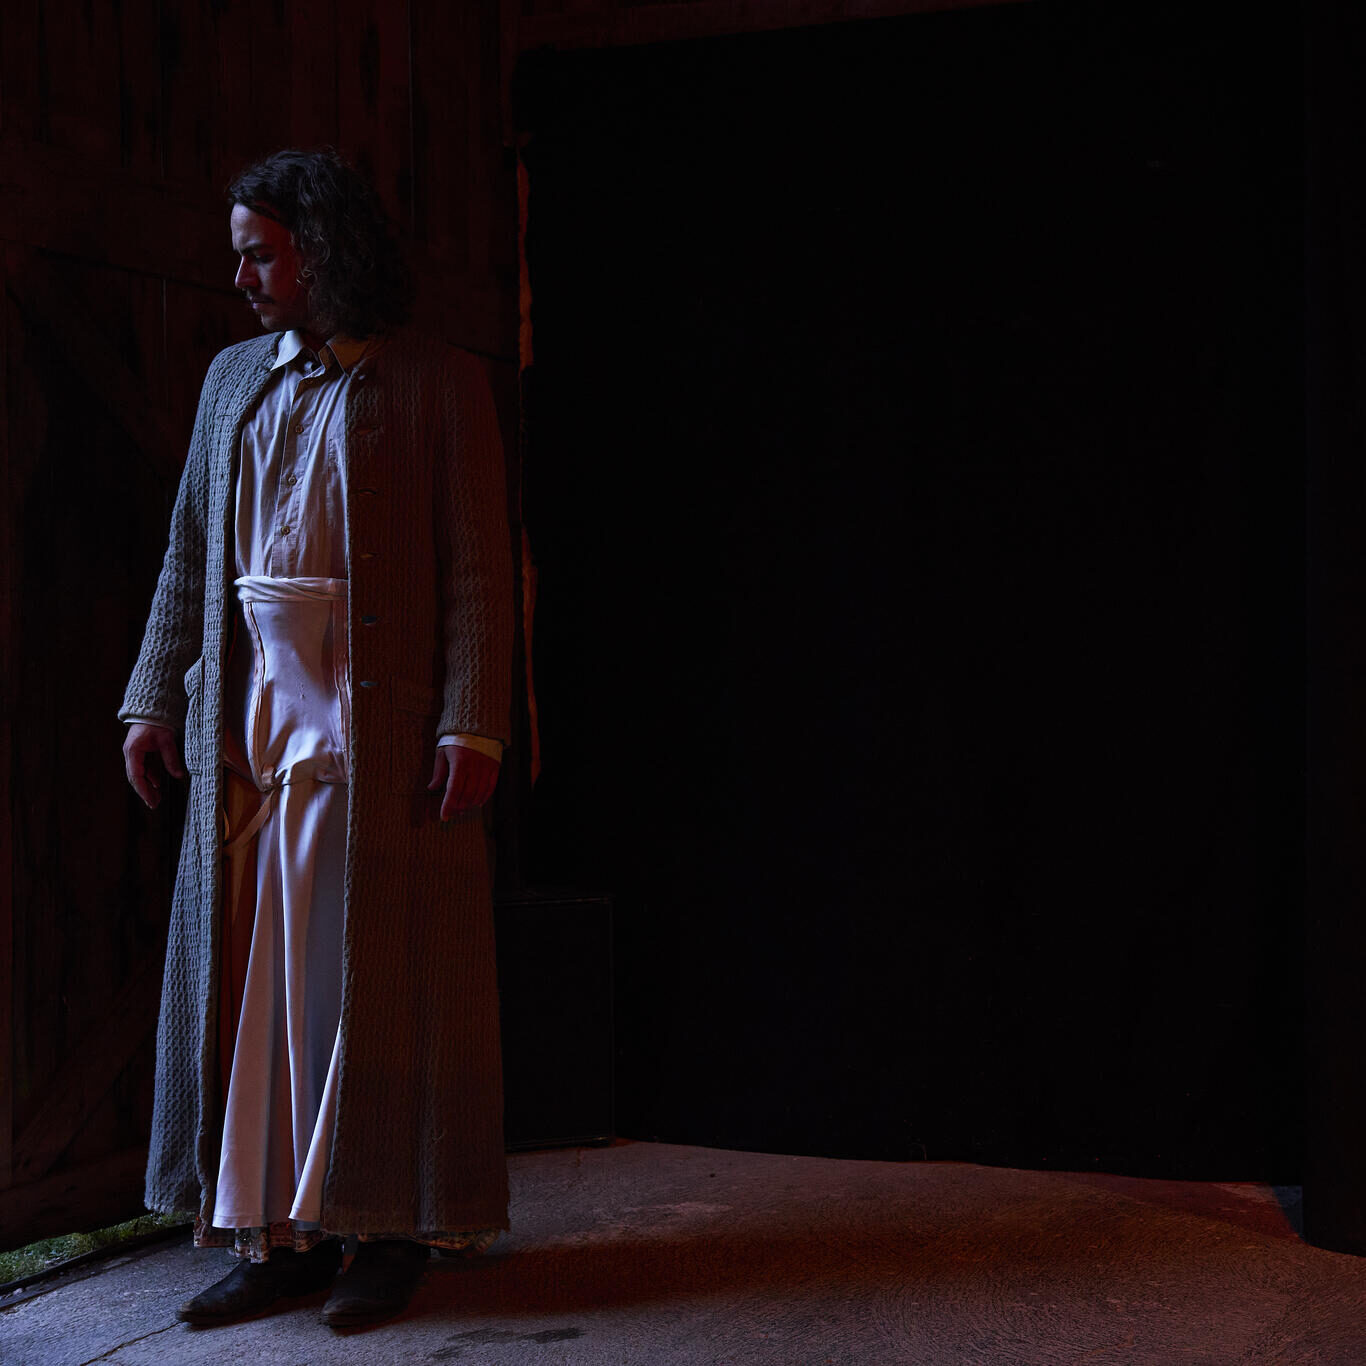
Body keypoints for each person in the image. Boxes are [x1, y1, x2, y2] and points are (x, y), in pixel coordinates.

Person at [119, 147, 513, 1327]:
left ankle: (383, 1231)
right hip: (250, 718)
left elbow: (478, 569)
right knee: (258, 980)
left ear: (322, 249)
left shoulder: (437, 382)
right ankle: (276, 1232)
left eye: (259, 255)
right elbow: (190, 550)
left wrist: (474, 720)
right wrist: (152, 698)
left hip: (372, 726)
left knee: (365, 976)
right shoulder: (230, 380)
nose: (241, 278)